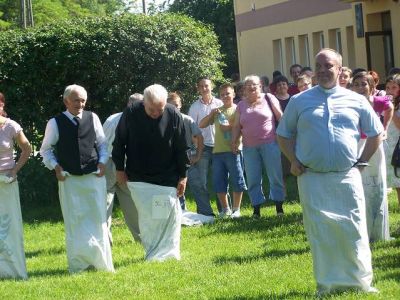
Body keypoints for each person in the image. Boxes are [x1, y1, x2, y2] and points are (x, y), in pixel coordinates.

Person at [276, 48, 382, 296]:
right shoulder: (299, 101)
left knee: (353, 229)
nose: (323, 70)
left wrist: (363, 161)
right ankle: (327, 284)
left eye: (329, 66)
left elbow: (376, 133)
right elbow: (283, 134)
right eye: (319, 66)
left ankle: (360, 282)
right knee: (321, 233)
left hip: (347, 176)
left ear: (339, 68)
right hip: (312, 178)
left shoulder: (355, 100)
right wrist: (293, 160)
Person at [40, 84, 114, 273]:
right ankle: (78, 264)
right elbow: (45, 150)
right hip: (69, 179)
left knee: (98, 219)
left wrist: (103, 162)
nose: (80, 104)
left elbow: (102, 144)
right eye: (76, 100)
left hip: (93, 176)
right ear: (66, 101)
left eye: (83, 100)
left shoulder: (93, 118)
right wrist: (55, 167)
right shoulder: (55, 122)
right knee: (75, 221)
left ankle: (101, 262)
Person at [112, 84, 189, 261]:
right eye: (151, 109)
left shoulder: (173, 114)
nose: (155, 113)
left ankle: (168, 253)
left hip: (167, 175)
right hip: (139, 175)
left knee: (166, 216)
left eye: (159, 109)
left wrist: (183, 175)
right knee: (149, 218)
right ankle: (152, 252)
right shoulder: (131, 112)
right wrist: (119, 169)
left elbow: (181, 147)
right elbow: (119, 142)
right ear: (143, 103)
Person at [231, 75, 285, 217]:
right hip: (249, 147)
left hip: (270, 144)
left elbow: (281, 117)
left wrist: (285, 137)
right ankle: (256, 210)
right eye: (248, 85)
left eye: (254, 84)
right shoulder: (241, 105)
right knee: (253, 178)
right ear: (244, 88)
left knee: (275, 176)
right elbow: (237, 125)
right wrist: (234, 141)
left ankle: (279, 208)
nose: (252, 87)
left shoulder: (269, 98)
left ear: (260, 85)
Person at [352, 71, 393, 242]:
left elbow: (389, 107)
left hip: (374, 146)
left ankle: (379, 233)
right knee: (360, 188)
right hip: (356, 146)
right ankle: (362, 232)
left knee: (377, 186)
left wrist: (385, 128)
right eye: (357, 84)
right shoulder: (350, 102)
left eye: (364, 84)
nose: (361, 87)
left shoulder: (376, 101)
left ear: (371, 86)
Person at [199, 83, 247, 218]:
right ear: (219, 96)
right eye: (223, 94)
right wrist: (211, 115)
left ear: (233, 94)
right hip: (218, 152)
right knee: (219, 181)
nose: (225, 96)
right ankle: (225, 209)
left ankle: (236, 209)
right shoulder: (217, 111)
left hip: (234, 150)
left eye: (228, 93)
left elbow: (243, 126)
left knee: (237, 179)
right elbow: (201, 125)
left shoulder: (238, 109)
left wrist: (230, 126)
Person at [103, 93, 143, 244]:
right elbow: (102, 144)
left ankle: (140, 238)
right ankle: (106, 240)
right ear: (129, 104)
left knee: (129, 202)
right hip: (111, 162)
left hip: (120, 163)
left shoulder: (114, 118)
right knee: (107, 202)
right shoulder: (116, 120)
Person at [0, 93, 32, 280]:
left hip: (7, 181)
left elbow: (26, 148)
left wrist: (15, 170)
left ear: (2, 104)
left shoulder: (11, 126)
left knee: (9, 225)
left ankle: (13, 271)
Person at [188, 78, 223, 216]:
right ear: (198, 89)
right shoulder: (194, 107)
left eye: (206, 86)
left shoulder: (220, 103)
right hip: (203, 148)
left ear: (211, 87)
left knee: (221, 179)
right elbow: (192, 130)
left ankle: (224, 210)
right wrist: (196, 148)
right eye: (201, 86)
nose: (204, 88)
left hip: (220, 147)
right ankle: (205, 212)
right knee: (200, 182)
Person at [167, 92, 204, 211]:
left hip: (188, 159)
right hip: (172, 161)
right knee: (176, 186)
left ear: (181, 105)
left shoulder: (187, 119)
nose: (175, 108)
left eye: (177, 105)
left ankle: (206, 212)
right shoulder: (164, 121)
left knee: (197, 186)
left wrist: (197, 155)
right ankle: (181, 211)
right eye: (171, 106)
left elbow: (199, 136)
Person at [385, 74, 400, 206]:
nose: (390, 91)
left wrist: (392, 109)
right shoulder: (387, 105)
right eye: (388, 87)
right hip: (391, 148)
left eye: (394, 87)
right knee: (397, 186)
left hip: (398, 147)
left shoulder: (395, 106)